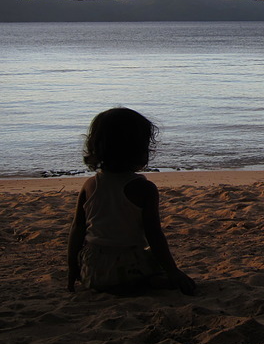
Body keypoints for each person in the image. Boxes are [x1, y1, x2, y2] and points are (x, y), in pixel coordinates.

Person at [67, 108, 196, 295]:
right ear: (138, 148)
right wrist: (173, 271)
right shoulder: (144, 189)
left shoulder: (90, 185)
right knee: (151, 259)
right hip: (128, 267)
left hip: (93, 269)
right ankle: (143, 283)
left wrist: (73, 269)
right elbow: (154, 235)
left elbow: (77, 228)